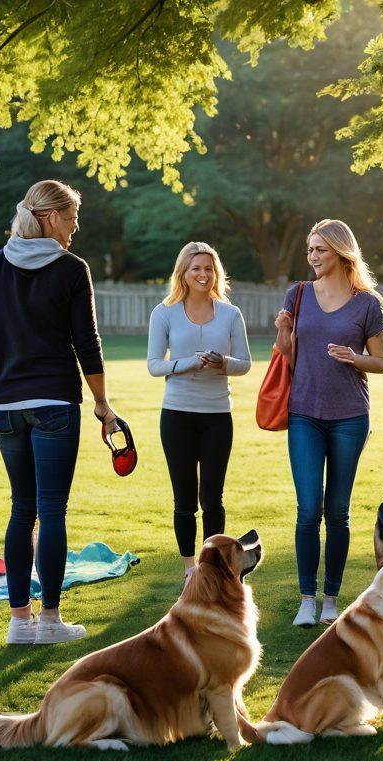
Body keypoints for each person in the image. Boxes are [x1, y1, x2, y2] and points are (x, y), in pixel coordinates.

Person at [0, 180, 124, 646]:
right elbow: (87, 344)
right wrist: (101, 402)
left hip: (5, 407)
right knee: (52, 510)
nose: (76, 227)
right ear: (51, 216)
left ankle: (19, 623)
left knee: (22, 509)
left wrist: (12, 348)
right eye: (73, 217)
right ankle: (51, 622)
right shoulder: (72, 268)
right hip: (54, 401)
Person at [274, 219, 383, 628]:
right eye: (310, 249)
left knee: (337, 511)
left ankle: (330, 599)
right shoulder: (298, 294)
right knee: (309, 509)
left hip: (349, 418)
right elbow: (289, 358)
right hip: (304, 412)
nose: (312, 257)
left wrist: (353, 358)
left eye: (320, 250)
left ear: (341, 253)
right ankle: (306, 598)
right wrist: (284, 333)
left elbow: (382, 363)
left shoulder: (367, 304)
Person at [147, 242, 252, 585]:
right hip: (177, 415)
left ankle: (213, 564)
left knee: (213, 497)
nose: (203, 274)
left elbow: (246, 364)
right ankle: (189, 566)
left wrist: (223, 363)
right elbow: (153, 366)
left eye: (208, 268)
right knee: (184, 499)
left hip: (217, 416)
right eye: (196, 269)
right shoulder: (164, 312)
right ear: (183, 273)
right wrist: (187, 363)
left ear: (216, 273)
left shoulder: (230, 314)